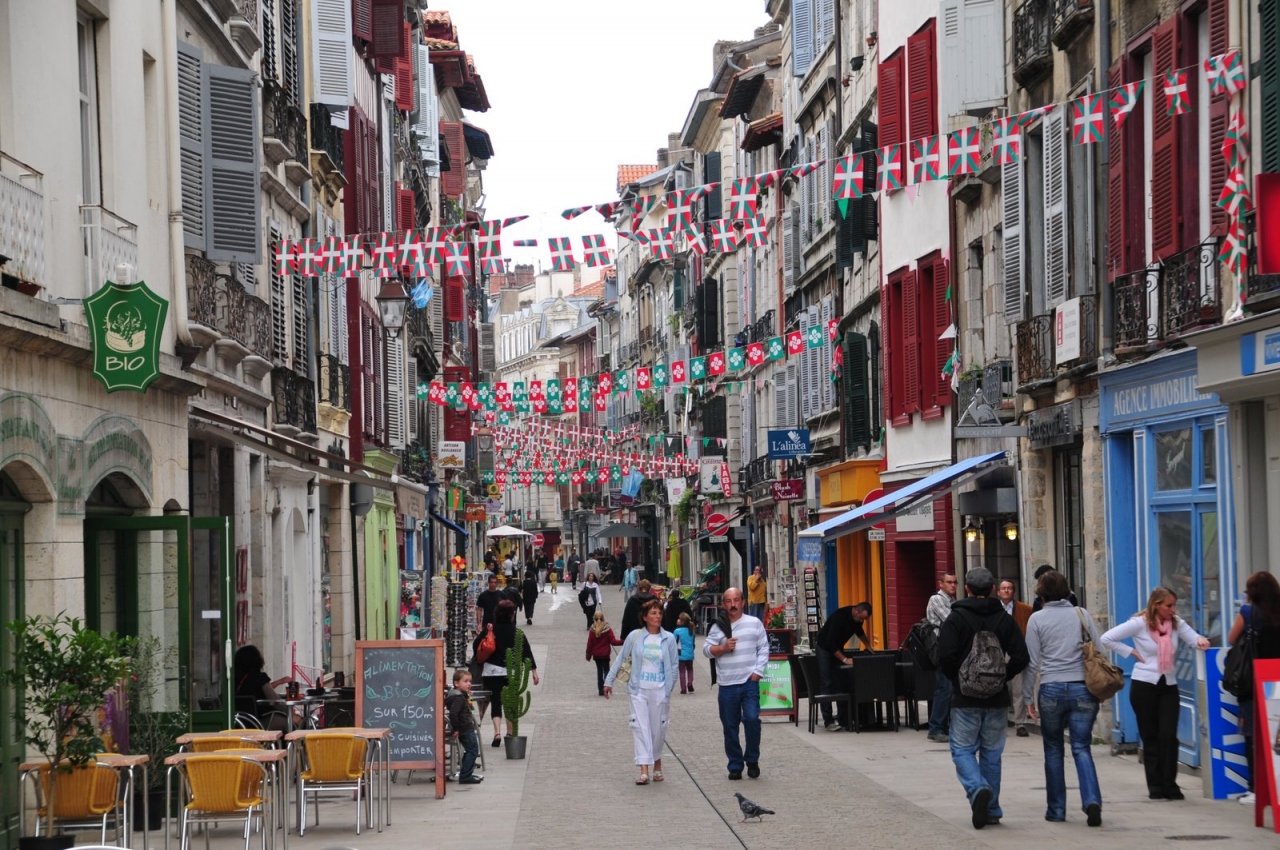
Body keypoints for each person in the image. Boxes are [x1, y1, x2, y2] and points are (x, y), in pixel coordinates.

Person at [937, 567, 1029, 830]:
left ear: (966, 588)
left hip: (965, 698)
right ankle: (991, 810)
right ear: (992, 589)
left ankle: (977, 788)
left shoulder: (956, 618)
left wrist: (958, 679)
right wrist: (1003, 676)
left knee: (962, 749)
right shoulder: (1004, 619)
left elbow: (945, 657)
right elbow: (1021, 656)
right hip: (997, 698)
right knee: (992, 753)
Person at [1100, 586, 1211, 800]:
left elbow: (1194, 638)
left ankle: (1170, 783)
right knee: (1150, 735)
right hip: (1144, 685)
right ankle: (1155, 786)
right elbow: (1107, 638)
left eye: (1174, 605)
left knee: (1168, 735)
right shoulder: (1139, 623)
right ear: (1156, 605)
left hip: (1168, 684)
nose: (1173, 609)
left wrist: (1201, 641)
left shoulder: (1176, 623)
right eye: (1169, 605)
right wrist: (1130, 651)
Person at [1023, 569, 1103, 826]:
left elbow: (1032, 662)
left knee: (1053, 749)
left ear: (1041, 593)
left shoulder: (1036, 619)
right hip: (1082, 688)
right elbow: (1099, 650)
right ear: (1067, 591)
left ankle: (1056, 810)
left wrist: (1027, 697)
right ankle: (1092, 800)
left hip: (1051, 688)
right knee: (1081, 747)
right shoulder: (1082, 614)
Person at [605, 597, 678, 785]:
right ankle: (644, 770)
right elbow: (621, 658)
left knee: (657, 730)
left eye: (660, 613)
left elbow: (674, 666)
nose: (658, 616)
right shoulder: (635, 636)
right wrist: (608, 681)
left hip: (660, 691)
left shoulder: (668, 639)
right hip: (638, 690)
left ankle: (657, 765)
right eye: (653, 613)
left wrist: (668, 688)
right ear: (644, 617)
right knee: (640, 727)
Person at [703, 587, 770, 780]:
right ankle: (735, 765)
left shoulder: (754, 623)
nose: (733, 605)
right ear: (724, 604)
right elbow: (706, 650)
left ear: (743, 602)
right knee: (730, 726)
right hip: (727, 684)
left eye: (736, 600)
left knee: (752, 719)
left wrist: (758, 672)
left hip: (749, 682)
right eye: (729, 601)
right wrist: (723, 648)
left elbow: (763, 648)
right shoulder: (718, 627)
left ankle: (752, 760)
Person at [1226, 571, 1280, 805]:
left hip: (1254, 681)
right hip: (1277, 679)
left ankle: (1257, 789)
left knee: (1253, 735)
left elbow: (1231, 639)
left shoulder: (1248, 613)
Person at [474, 599, 540, 747]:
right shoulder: (516, 632)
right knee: (510, 702)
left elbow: (476, 645)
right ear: (511, 615)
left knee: (496, 701)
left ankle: (497, 733)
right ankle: (509, 734)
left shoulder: (490, 629)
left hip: (491, 671)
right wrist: (534, 671)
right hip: (511, 672)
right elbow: (526, 651)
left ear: (496, 613)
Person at [814, 602, 874, 731]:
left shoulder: (857, 620)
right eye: (862, 618)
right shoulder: (840, 617)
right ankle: (828, 721)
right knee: (827, 682)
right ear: (856, 611)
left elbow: (859, 632)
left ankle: (843, 719)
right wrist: (845, 659)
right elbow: (830, 643)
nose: (862, 621)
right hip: (824, 647)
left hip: (837, 647)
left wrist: (867, 645)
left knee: (841, 682)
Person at [997, 579, 1033, 737]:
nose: (1006, 591)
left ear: (1014, 592)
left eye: (1009, 588)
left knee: (1018, 688)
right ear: (998, 592)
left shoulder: (1025, 610)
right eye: (1003, 588)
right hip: (998, 650)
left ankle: (1020, 723)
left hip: (1015, 650)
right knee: (998, 687)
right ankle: (1000, 721)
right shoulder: (994, 609)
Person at [927, 572, 958, 742]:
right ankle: (936, 728)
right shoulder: (937, 599)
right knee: (944, 688)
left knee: (949, 688)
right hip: (941, 649)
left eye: (955, 582)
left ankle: (944, 727)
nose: (953, 585)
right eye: (949, 582)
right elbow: (951, 620)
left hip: (950, 649)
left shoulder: (952, 601)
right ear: (941, 584)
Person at [233, 645, 289, 731]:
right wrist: (288, 708)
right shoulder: (259, 678)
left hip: (240, 722)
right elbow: (275, 701)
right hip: (260, 722)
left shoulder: (234, 680)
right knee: (293, 721)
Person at [445, 668, 483, 784]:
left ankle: (466, 773)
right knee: (472, 750)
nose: (469, 684)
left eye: (470, 681)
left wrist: (467, 696)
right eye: (465, 681)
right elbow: (454, 713)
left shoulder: (457, 695)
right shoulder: (458, 698)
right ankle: (465, 776)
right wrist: (456, 728)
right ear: (457, 683)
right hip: (465, 728)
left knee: (470, 750)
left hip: (464, 727)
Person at [586, 611, 624, 696]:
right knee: (606, 670)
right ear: (603, 618)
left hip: (596, 655)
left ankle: (600, 690)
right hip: (605, 654)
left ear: (594, 618)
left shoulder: (592, 629)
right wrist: (624, 641)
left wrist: (588, 655)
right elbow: (613, 642)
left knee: (599, 671)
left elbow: (589, 644)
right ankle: (606, 687)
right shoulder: (607, 628)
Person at [674, 611, 696, 694]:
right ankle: (690, 682)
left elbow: (674, 642)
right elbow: (693, 643)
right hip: (690, 654)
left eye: (679, 619)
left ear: (682, 621)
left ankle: (683, 689)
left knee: (682, 671)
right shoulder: (692, 631)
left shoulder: (677, 631)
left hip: (681, 654)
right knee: (690, 669)